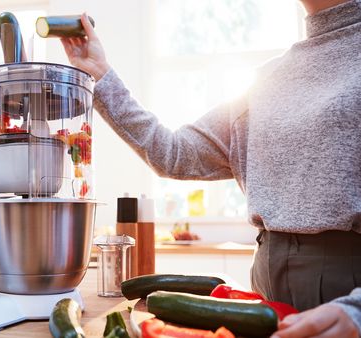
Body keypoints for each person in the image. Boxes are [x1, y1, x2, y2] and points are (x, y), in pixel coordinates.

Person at [59, 1, 361, 337]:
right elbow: (173, 153)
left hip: (347, 291)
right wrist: (101, 74)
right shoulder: (266, 80)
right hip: (264, 287)